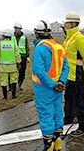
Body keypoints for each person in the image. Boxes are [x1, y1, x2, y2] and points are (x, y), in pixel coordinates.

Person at [32, 20, 69, 151]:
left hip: (44, 89)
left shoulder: (40, 49)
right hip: (58, 88)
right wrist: (61, 82)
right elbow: (66, 67)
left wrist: (52, 85)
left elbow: (38, 71)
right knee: (57, 112)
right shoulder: (59, 47)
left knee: (46, 115)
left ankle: (48, 145)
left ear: (37, 34)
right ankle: (58, 140)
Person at [63, 11, 84, 137]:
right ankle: (69, 118)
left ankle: (83, 127)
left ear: (74, 23)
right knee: (69, 98)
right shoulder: (69, 38)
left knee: (80, 102)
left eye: (67, 23)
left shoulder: (78, 37)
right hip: (69, 75)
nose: (65, 25)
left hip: (78, 74)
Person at [0, 29, 21, 99]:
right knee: (14, 80)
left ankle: (5, 96)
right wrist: (19, 63)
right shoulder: (14, 44)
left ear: (3, 36)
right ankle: (14, 95)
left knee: (4, 81)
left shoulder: (0, 44)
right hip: (13, 66)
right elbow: (17, 54)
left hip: (3, 67)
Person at [11, 22, 30, 90]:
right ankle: (11, 86)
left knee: (22, 72)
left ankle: (19, 84)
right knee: (12, 71)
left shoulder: (24, 37)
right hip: (13, 56)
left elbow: (27, 47)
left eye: (17, 28)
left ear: (20, 29)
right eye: (15, 28)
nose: (15, 29)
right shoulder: (11, 36)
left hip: (22, 56)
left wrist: (27, 56)